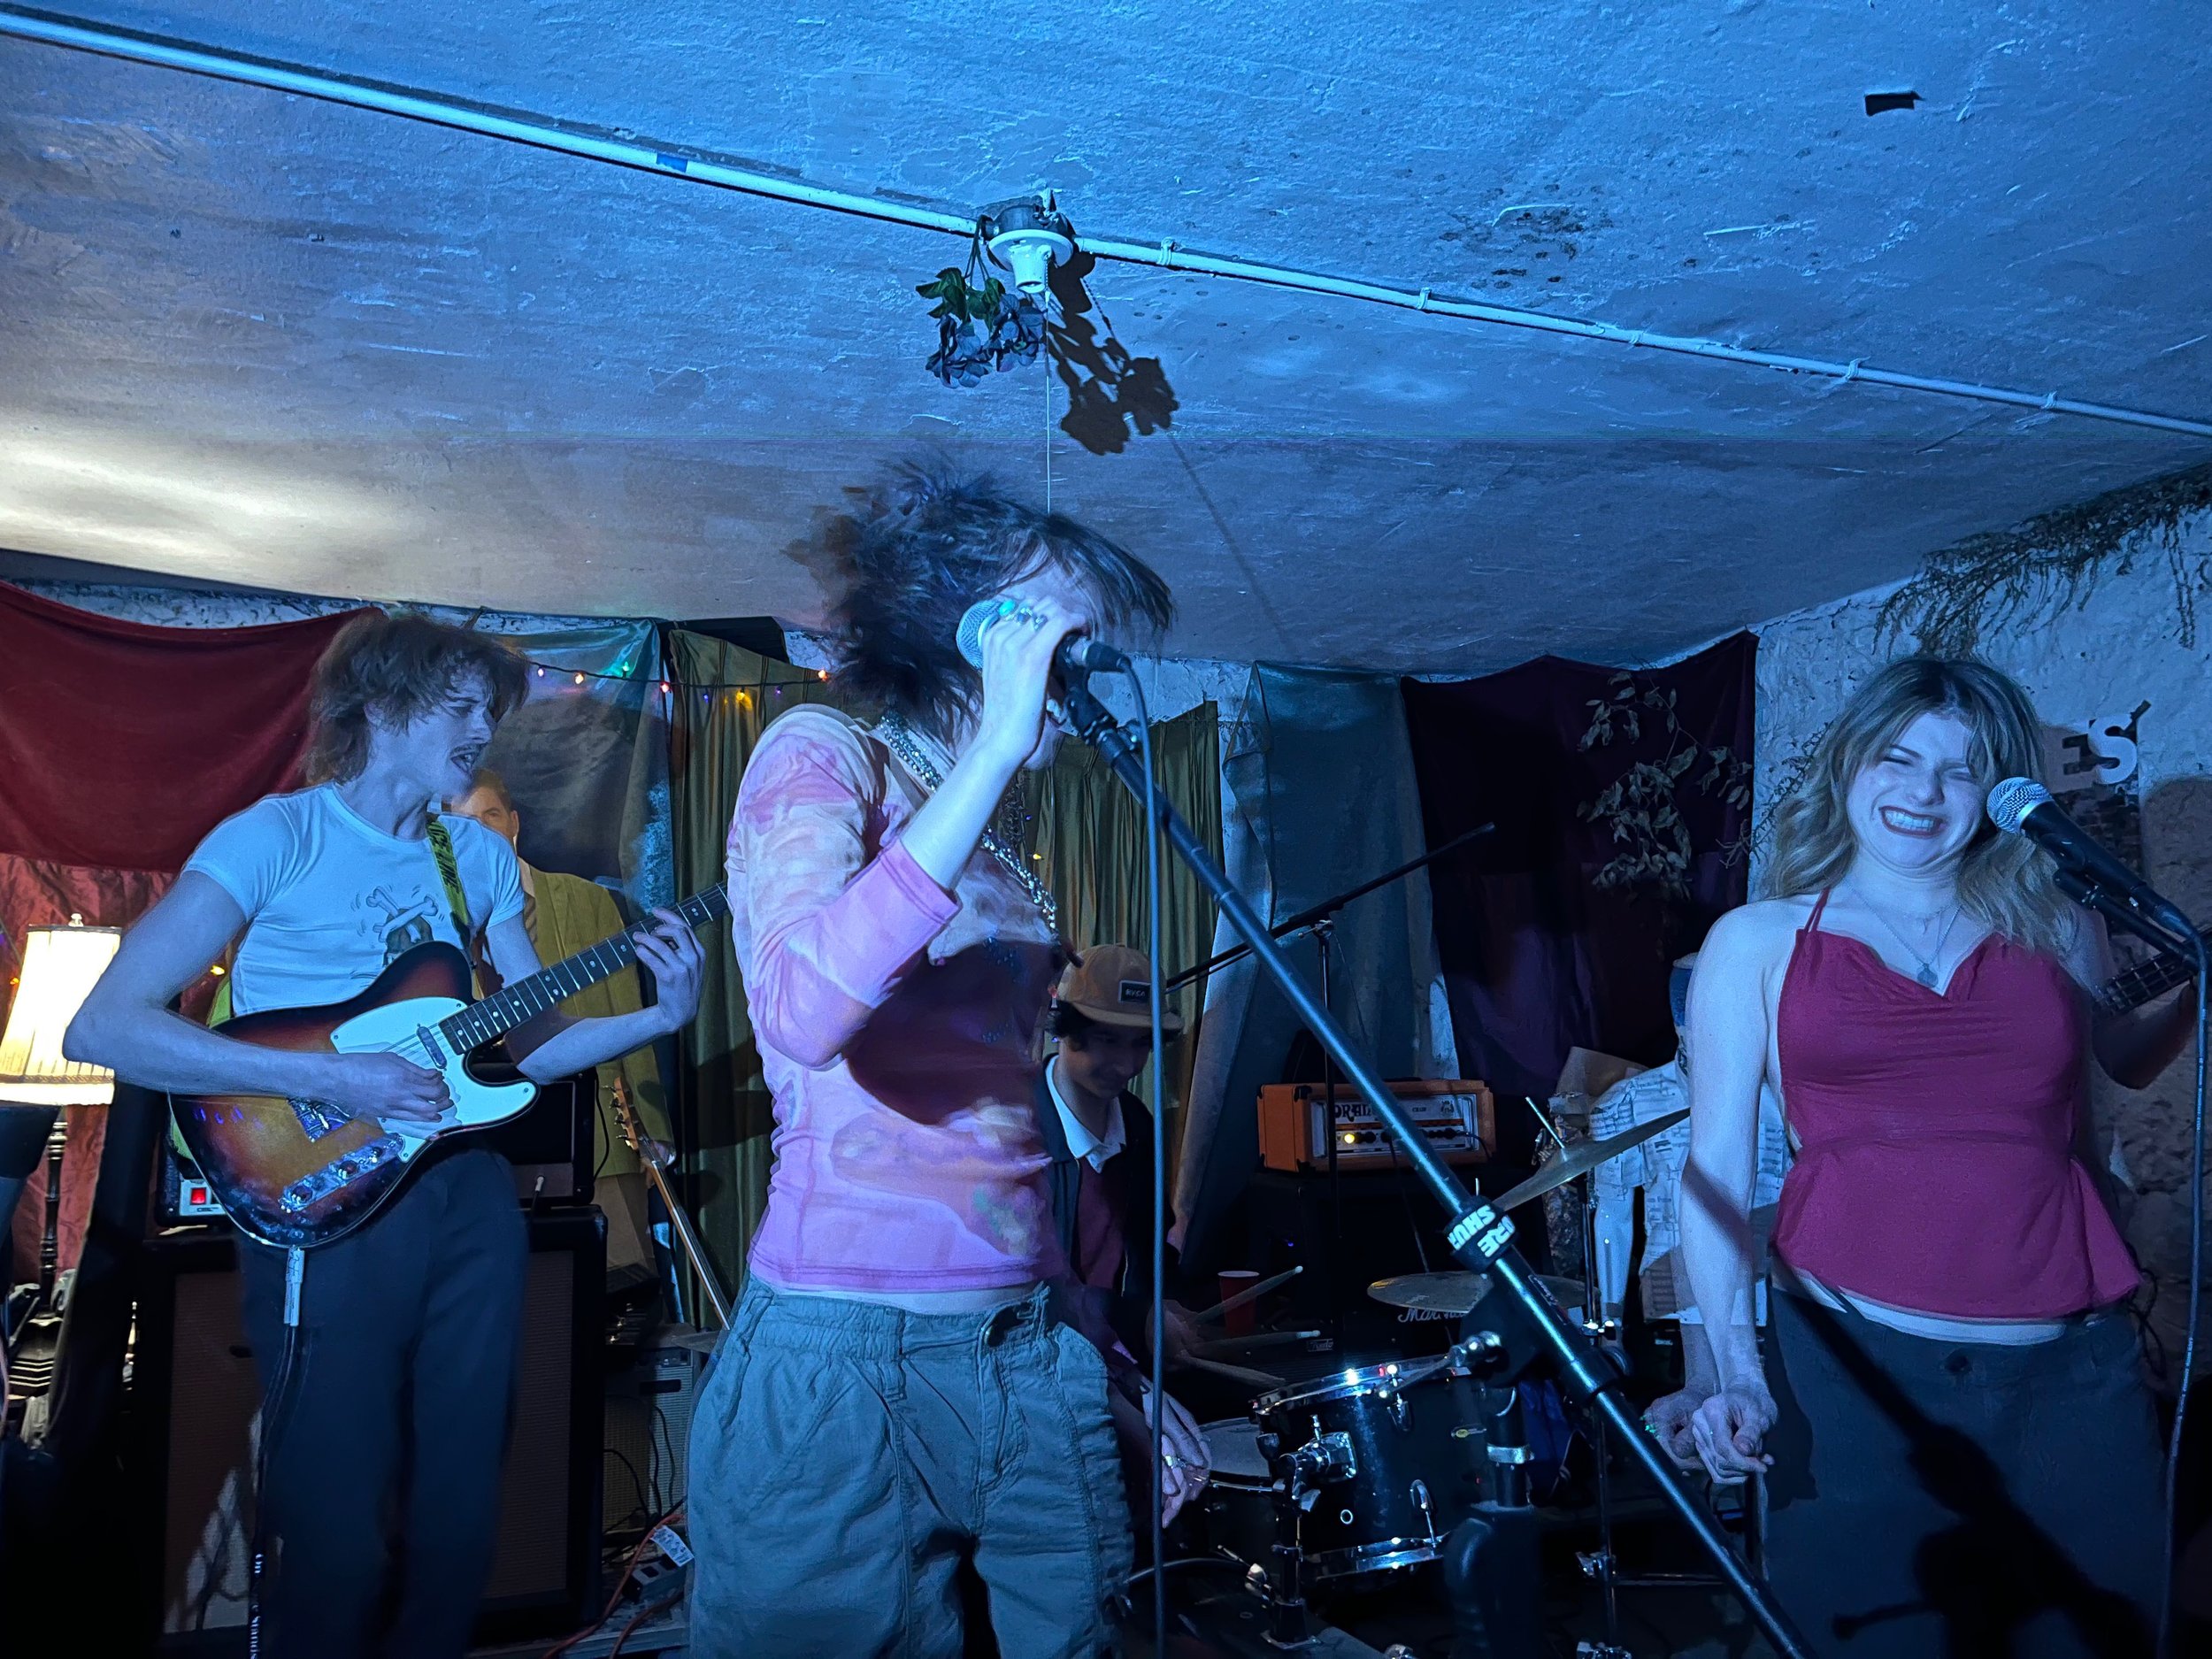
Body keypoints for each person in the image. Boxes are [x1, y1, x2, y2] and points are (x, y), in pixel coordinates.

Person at [65, 613, 706, 1659]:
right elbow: (105, 1026)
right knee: (337, 1517)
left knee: (463, 1507)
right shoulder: (275, 837)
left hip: (466, 1192)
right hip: (319, 1189)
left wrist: (656, 1019)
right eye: (461, 707)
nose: (483, 730)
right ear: (381, 706)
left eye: (490, 710)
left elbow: (534, 1050)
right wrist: (331, 1075)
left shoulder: (476, 860)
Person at [690, 466, 1174, 1659]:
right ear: (958, 624)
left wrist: (1107, 1360)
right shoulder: (823, 753)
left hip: (1029, 1345)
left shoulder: (993, 847)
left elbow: (1003, 1136)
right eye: (1051, 631)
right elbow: (804, 1012)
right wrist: (995, 748)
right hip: (847, 1358)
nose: (1074, 662)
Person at [1678, 656, 2196, 1656]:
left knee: (2102, 1639)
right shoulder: (1759, 940)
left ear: (1996, 793)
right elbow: (1713, 1175)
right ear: (1849, 764)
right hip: (1857, 1377)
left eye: (1961, 770)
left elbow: (2122, 1060)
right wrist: (1735, 1369)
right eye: (1898, 758)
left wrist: (2193, 986)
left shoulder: (2053, 921)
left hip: (2071, 1375)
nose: (1924, 792)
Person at [449, 766, 668, 1272]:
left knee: (618, 1280)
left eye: (490, 815)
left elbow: (626, 1010)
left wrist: (652, 1127)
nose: (480, 832)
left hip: (597, 1136)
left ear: (514, 823)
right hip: (486, 1146)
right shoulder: (437, 916)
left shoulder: (587, 900)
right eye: (464, 822)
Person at [1039, 944, 1210, 1522]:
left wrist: (1161, 1307)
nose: (1126, 1063)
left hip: (1116, 1353)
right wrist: (1127, 1365)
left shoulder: (1136, 1123)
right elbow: (1030, 1299)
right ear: (1065, 1028)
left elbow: (1150, 1246)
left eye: (1140, 1044)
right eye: (1108, 1040)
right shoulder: (1019, 1130)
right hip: (1045, 1374)